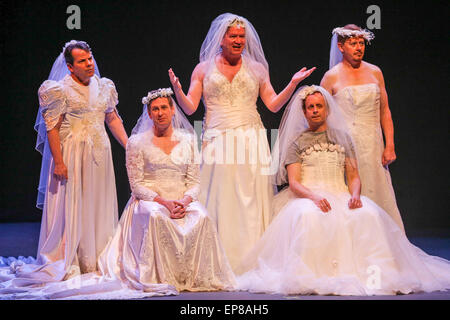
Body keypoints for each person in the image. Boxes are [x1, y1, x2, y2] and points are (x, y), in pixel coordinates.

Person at [235, 85, 450, 296]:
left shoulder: (343, 138)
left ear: (327, 108)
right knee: (308, 216)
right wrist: (314, 196)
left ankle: (373, 275)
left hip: (340, 193)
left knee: (369, 213)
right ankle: (311, 274)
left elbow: (354, 177)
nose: (316, 110)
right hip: (309, 195)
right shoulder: (296, 143)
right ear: (304, 112)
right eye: (311, 107)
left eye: (319, 106)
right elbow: (294, 182)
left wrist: (355, 194)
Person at [168, 13, 315, 270]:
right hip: (217, 138)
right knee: (221, 195)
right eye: (233, 36)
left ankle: (252, 257)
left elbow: (272, 104)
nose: (238, 41)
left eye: (241, 37)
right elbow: (190, 108)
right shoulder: (203, 69)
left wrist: (292, 84)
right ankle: (218, 258)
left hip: (251, 137)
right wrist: (179, 91)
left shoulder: (257, 68)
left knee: (251, 196)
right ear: (221, 39)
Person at [0, 40, 128, 287]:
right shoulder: (58, 89)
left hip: (99, 155)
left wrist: (129, 145)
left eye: (90, 58)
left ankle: (97, 257)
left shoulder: (104, 86)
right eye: (82, 61)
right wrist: (58, 162)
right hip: (72, 155)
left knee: (97, 202)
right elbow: (52, 129)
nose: (89, 64)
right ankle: (70, 259)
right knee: (72, 205)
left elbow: (112, 119)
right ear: (70, 67)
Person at [320, 25, 404, 231]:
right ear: (341, 46)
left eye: (361, 43)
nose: (359, 47)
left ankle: (383, 241)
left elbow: (385, 111)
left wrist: (390, 144)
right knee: (351, 190)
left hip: (373, 142)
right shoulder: (331, 76)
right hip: (346, 144)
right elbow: (322, 115)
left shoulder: (375, 72)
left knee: (377, 189)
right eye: (353, 43)